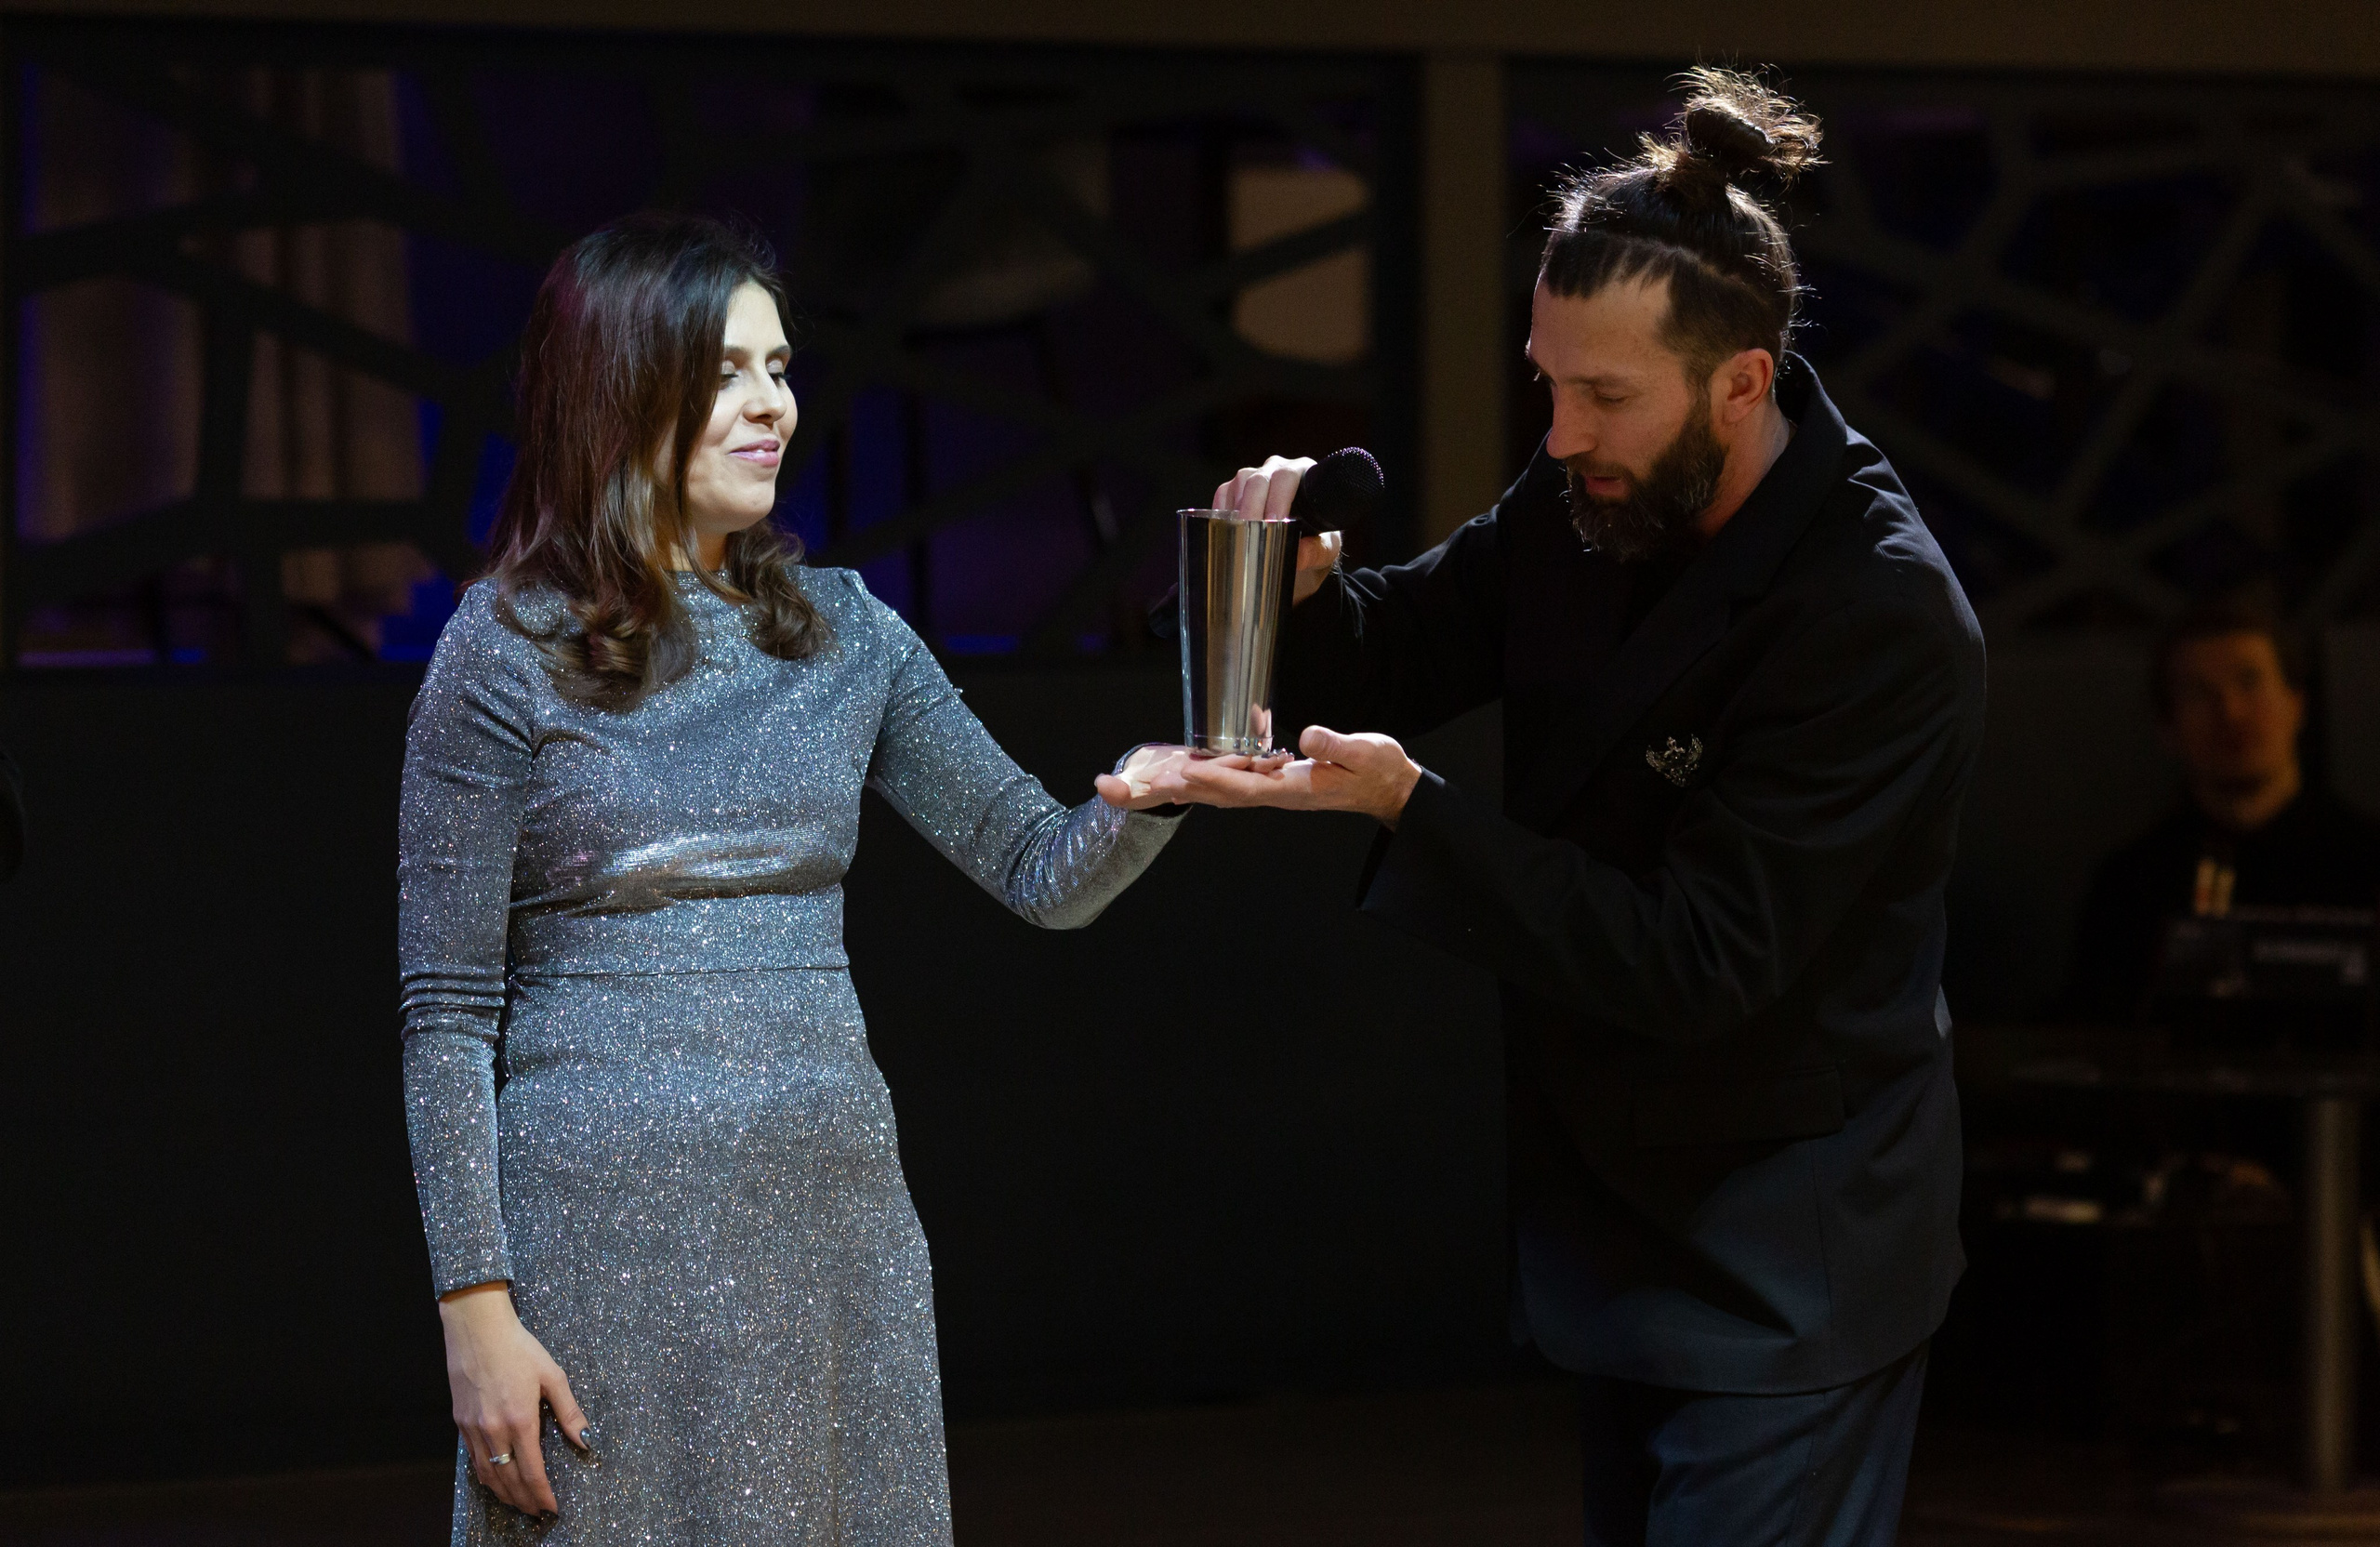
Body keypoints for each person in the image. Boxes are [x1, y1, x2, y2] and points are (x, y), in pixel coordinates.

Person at [1170, 70, 1984, 1545]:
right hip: (1617, 1221)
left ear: (1742, 381)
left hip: (1791, 1253)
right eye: (1548, 379)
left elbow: (1701, 959)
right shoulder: (1592, 491)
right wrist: (1299, 601)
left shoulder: (1878, 612)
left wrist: (1414, 811)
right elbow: (1416, 636)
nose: (1558, 433)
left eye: (1604, 394)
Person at [400, 213, 1195, 1543]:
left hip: (829, 1223)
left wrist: (1164, 786)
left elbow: (1041, 868)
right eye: (726, 373)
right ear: (617, 390)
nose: (772, 404)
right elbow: (445, 1013)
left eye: (779, 369)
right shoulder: (501, 652)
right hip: (600, 1245)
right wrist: (474, 1308)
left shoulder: (846, 632)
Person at [2066, 598, 2380, 1025]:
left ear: (2296, 704)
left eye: (2250, 683)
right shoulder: (2134, 882)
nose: (2231, 712)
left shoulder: (2365, 862)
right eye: (2200, 693)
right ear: (2167, 728)